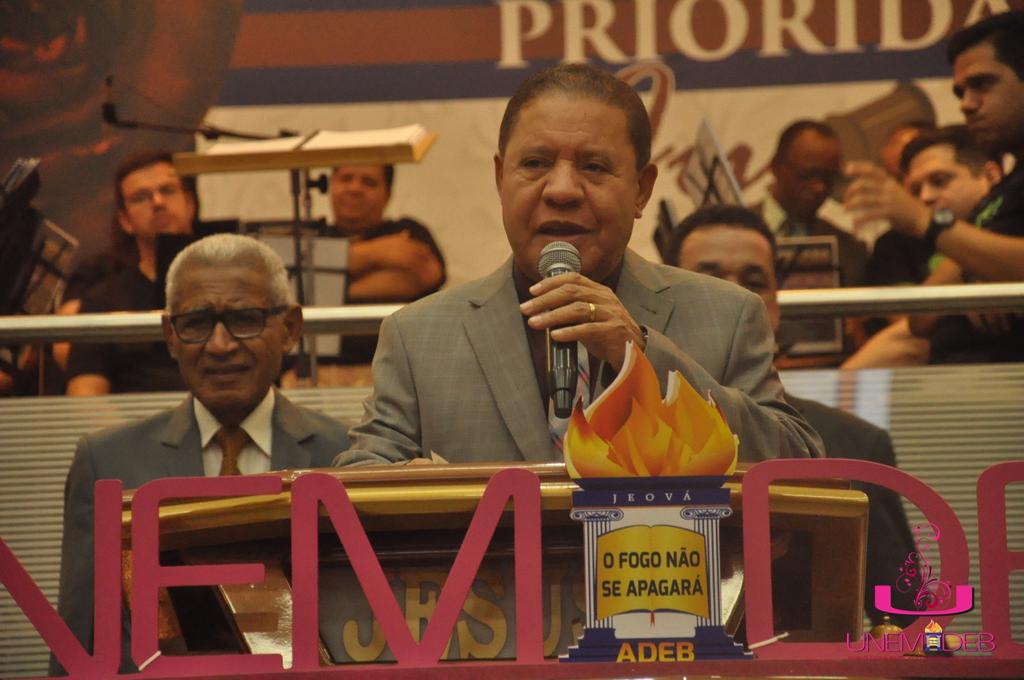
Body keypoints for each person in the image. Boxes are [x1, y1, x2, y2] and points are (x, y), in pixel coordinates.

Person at [336, 63, 823, 466]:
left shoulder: (728, 316)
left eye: (594, 166)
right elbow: (360, 473)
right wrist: (404, 486)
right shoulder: (418, 336)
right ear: (501, 177)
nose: (562, 190)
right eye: (535, 163)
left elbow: (797, 463)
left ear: (641, 189)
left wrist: (643, 358)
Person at [53, 234, 352, 674]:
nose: (219, 344)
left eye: (244, 319)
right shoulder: (108, 463)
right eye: (196, 322)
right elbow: (79, 647)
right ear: (170, 336)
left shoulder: (345, 458)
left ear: (290, 329)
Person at [669, 204, 917, 626]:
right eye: (709, 283)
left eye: (754, 285)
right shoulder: (618, 433)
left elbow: (911, 619)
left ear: (775, 307)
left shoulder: (853, 444)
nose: (736, 301)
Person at [845, 11, 1024, 363]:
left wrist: (925, 222)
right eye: (961, 91)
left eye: (983, 84)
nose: (967, 104)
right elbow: (922, 319)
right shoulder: (1002, 194)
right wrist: (978, 276)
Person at [64, 150, 197, 395]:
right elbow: (85, 394)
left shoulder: (231, 285)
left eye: (168, 190)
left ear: (190, 204)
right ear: (125, 220)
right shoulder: (102, 300)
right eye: (141, 197)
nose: (158, 202)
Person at [322, 163, 446, 369]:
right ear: (330, 185)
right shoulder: (309, 236)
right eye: (346, 179)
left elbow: (422, 276)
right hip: (319, 366)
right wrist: (377, 252)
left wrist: (324, 286)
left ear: (388, 194)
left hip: (401, 365)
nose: (355, 188)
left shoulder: (409, 229)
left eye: (369, 182)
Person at [761, 120, 869, 287]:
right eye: (808, 175)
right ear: (776, 166)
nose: (819, 187)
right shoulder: (732, 231)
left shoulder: (849, 251)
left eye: (829, 178)